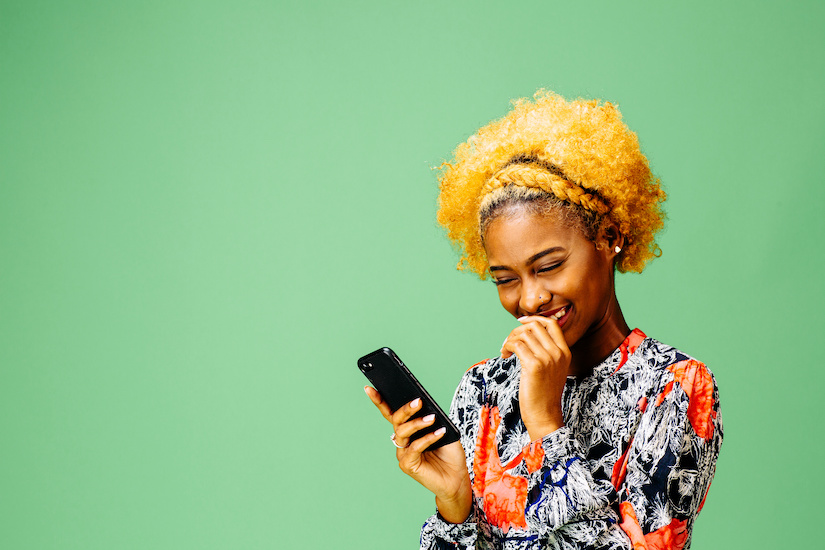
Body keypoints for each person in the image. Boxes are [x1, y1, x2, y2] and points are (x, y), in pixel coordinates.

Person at [365, 91, 722, 549]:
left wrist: (547, 427)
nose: (530, 298)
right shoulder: (483, 390)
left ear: (609, 237)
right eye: (505, 279)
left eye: (549, 266)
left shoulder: (675, 388)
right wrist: (454, 505)